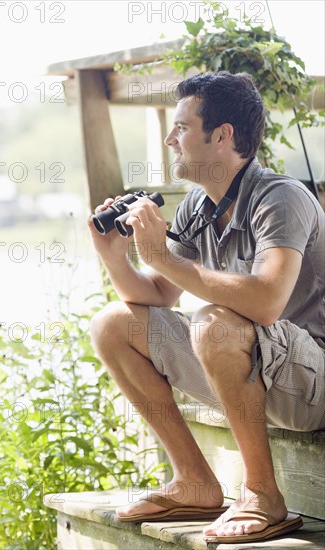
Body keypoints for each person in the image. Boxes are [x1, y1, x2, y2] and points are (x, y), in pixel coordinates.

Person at [87, 71, 325, 544]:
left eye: (181, 128)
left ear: (222, 136)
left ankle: (261, 494)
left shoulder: (281, 198)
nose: (170, 139)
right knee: (113, 324)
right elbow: (154, 294)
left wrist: (161, 256)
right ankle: (194, 481)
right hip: (257, 373)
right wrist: (115, 255)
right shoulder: (201, 205)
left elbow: (265, 301)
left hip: (313, 379)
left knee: (214, 323)